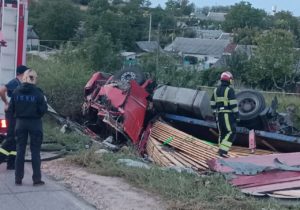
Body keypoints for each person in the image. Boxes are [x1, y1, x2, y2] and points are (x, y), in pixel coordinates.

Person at [7, 69, 48, 186]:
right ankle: (36, 179)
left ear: (24, 78)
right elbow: (43, 109)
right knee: (35, 151)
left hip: (20, 123)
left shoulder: (16, 91)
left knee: (20, 151)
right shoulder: (39, 92)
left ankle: (18, 179)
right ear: (35, 78)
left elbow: (11, 109)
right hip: (35, 123)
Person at [0, 65, 29, 169]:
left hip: (18, 114)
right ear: (21, 73)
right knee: (11, 138)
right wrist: (6, 102)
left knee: (17, 139)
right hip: (12, 114)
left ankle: (11, 164)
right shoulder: (15, 82)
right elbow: (2, 90)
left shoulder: (23, 84)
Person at [210, 71, 239, 157]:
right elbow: (233, 104)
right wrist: (237, 115)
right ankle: (223, 151)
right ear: (228, 80)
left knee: (222, 133)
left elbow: (212, 103)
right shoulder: (229, 90)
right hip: (227, 114)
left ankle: (221, 151)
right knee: (231, 131)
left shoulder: (215, 90)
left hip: (219, 114)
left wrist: (215, 112)